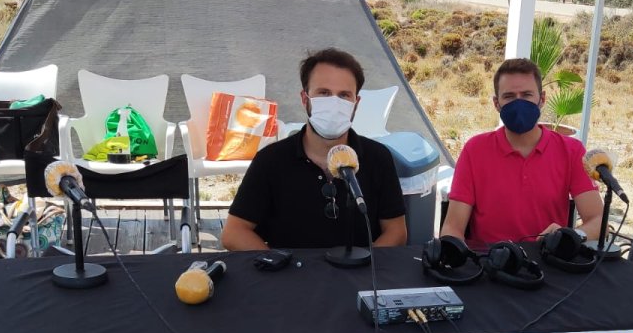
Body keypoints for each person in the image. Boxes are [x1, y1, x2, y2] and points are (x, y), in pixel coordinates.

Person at [221, 48, 408, 251]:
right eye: (324, 93)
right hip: (291, 270)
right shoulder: (270, 160)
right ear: (305, 98)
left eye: (344, 95)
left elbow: (396, 231)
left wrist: (367, 265)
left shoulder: (378, 157)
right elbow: (234, 232)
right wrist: (276, 264)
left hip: (358, 269)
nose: (334, 103)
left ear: (356, 103)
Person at [440, 57, 604, 246]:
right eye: (509, 96)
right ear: (496, 103)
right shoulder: (475, 150)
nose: (519, 104)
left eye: (526, 95)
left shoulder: (571, 151)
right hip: (488, 259)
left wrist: (571, 237)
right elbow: (453, 227)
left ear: (542, 99)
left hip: (546, 259)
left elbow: (598, 220)